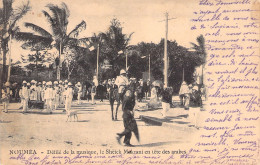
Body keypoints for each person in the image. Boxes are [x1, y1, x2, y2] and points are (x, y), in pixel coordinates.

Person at [116, 82, 138, 146]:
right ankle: (120, 136)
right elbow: (123, 108)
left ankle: (126, 141)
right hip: (126, 115)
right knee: (129, 128)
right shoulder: (126, 99)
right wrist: (129, 111)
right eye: (129, 92)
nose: (130, 93)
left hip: (128, 115)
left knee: (128, 129)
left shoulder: (130, 97)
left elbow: (132, 104)